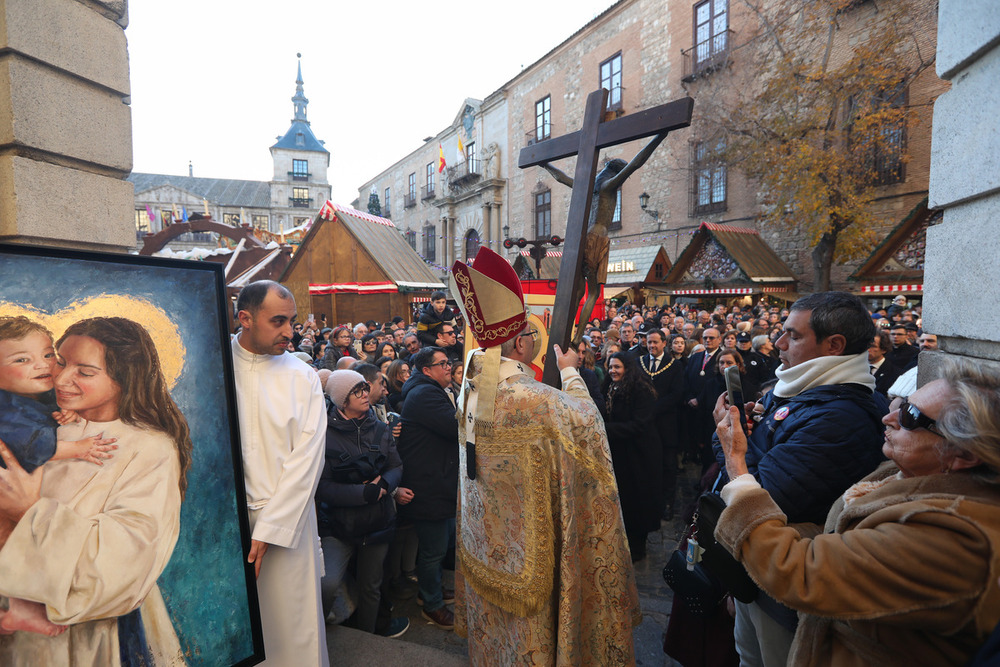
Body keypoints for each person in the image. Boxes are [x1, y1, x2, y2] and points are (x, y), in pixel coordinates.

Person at [714, 358, 1000, 666]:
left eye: (909, 415)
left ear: (964, 454)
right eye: (898, 404)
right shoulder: (903, 473)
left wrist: (737, 466)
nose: (887, 418)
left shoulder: (957, 537)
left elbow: (802, 572)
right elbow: (842, 537)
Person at [450, 247, 639, 665]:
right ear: (521, 342)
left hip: (485, 549)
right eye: (532, 334)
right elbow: (589, 428)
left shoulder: (469, 389)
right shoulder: (536, 401)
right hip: (533, 565)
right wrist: (570, 372)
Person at [0, 316, 191, 664]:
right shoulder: (44, 421)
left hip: (92, 638)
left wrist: (30, 513)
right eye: (60, 360)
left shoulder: (150, 448)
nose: (59, 376)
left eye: (84, 372)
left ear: (124, 379)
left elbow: (124, 562)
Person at [712, 291, 888, 667]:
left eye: (792, 335)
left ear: (834, 345)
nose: (778, 343)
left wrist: (732, 444)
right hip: (757, 567)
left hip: (786, 588)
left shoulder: (840, 417)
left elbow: (759, 497)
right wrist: (753, 434)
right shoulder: (803, 392)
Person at [231, 281, 328, 666]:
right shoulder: (214, 362)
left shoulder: (301, 377)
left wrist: (271, 529)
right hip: (229, 522)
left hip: (288, 522)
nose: (290, 332)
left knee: (291, 633)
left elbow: (308, 461)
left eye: (291, 321)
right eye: (278, 321)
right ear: (246, 318)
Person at [317, 369, 408, 639]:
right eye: (357, 391)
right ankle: (319, 639)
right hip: (339, 524)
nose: (365, 394)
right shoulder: (323, 433)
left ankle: (367, 640)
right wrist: (362, 493)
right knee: (327, 583)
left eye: (365, 388)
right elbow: (321, 486)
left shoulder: (379, 428)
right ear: (342, 399)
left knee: (372, 586)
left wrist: (383, 486)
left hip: (377, 521)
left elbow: (396, 465)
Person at [396, 346, 459, 630]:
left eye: (449, 362)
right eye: (442, 363)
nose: (448, 367)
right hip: (428, 483)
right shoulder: (424, 395)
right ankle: (432, 604)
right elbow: (455, 428)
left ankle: (429, 591)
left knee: (440, 542)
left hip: (437, 480)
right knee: (433, 550)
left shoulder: (430, 390)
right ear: (427, 370)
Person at [603, 351, 661, 561]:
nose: (613, 371)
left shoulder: (640, 389)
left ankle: (637, 548)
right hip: (621, 453)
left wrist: (605, 429)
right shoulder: (611, 386)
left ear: (627, 368)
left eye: (617, 367)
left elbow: (640, 424)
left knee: (638, 500)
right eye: (610, 367)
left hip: (639, 454)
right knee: (623, 498)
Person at [642, 330, 685, 519]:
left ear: (664, 343)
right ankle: (649, 500)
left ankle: (667, 503)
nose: (651, 346)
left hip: (666, 424)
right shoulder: (640, 362)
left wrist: (654, 409)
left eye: (655, 343)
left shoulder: (674, 366)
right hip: (644, 425)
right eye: (649, 343)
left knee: (668, 466)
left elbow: (677, 394)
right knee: (648, 464)